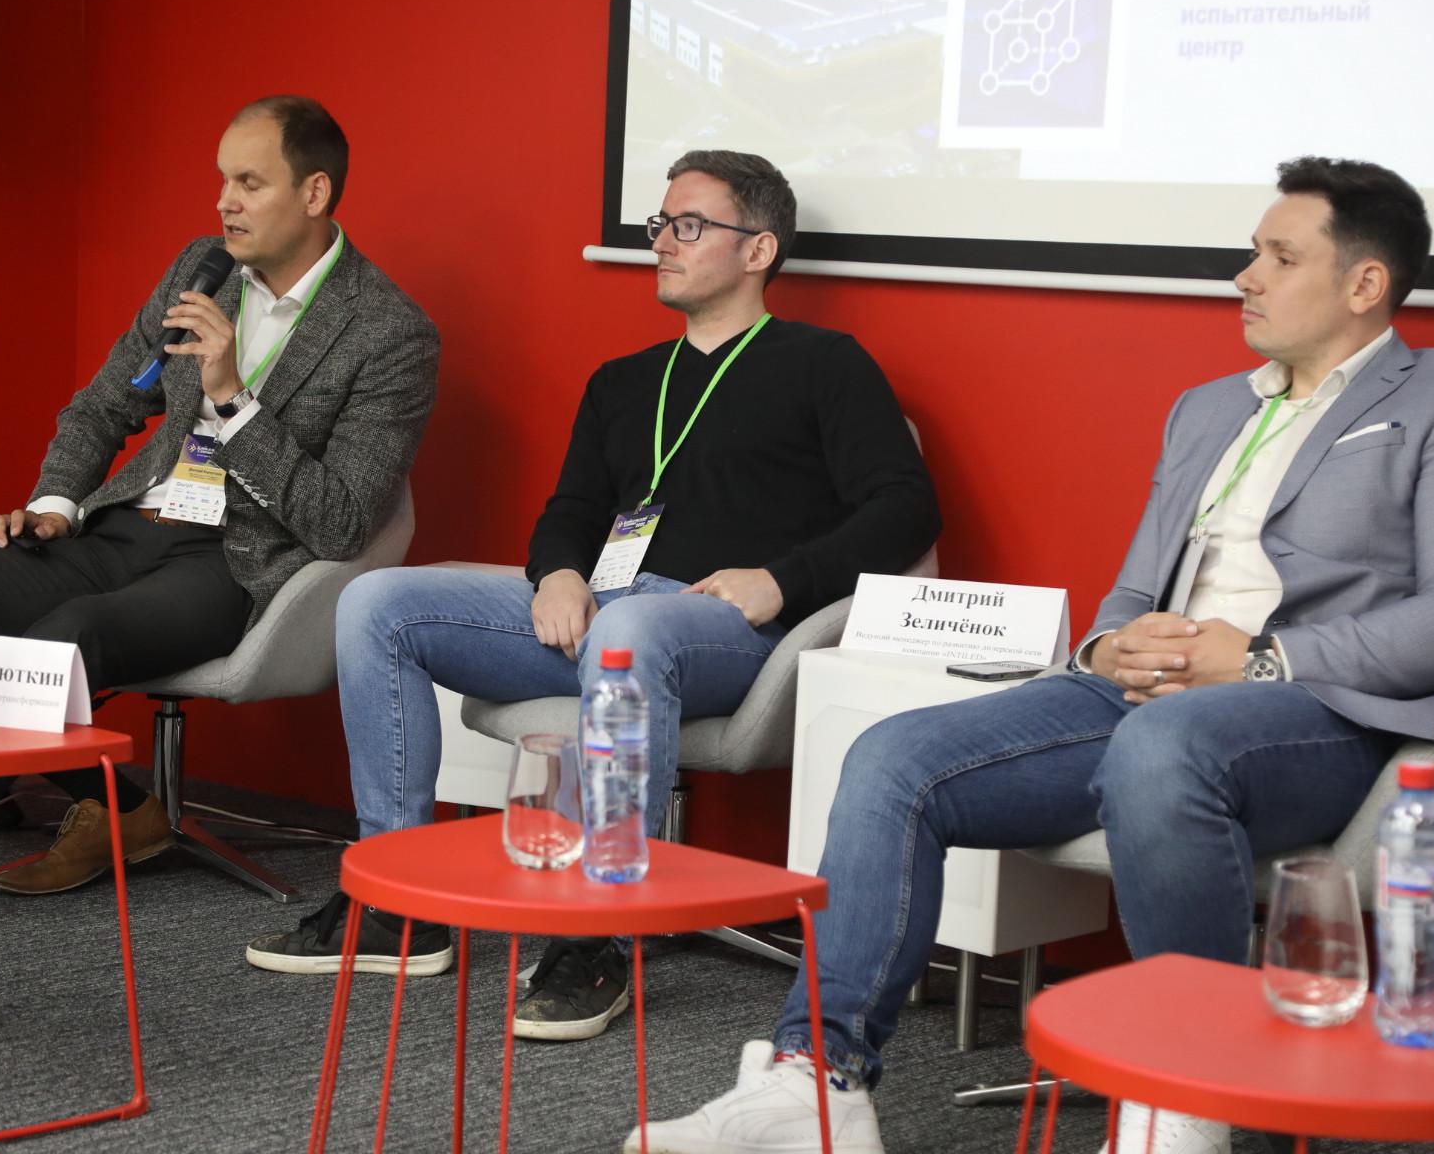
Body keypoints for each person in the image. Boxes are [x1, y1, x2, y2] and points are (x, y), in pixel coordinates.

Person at [630, 156, 1434, 1154]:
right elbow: (1133, 591)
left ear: (1365, 283)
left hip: (1316, 710)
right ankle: (818, 1085)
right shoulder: (1210, 407)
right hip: (1143, 697)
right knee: (891, 759)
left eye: (1280, 258)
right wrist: (1111, 646)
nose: (1246, 276)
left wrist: (1259, 659)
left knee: (1167, 747)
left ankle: (1183, 1096)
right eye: (1253, 253)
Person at [244, 150, 942, 1044]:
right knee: (377, 603)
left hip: (726, 627)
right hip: (606, 608)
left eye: (689, 226)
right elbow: (570, 511)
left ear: (759, 249)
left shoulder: (825, 364)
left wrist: (781, 580)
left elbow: (907, 507)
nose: (663, 242)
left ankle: (601, 933)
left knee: (636, 627)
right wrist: (560, 574)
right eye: (660, 224)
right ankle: (395, 904)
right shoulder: (623, 381)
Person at [0, 96, 438, 933]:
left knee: (63, 639)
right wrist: (54, 506)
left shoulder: (390, 332)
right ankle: (127, 809)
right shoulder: (202, 268)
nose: (224, 202)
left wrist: (232, 399)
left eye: (249, 182)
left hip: (231, 563)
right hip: (123, 528)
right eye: (221, 181)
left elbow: (341, 521)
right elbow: (103, 406)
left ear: (314, 193)